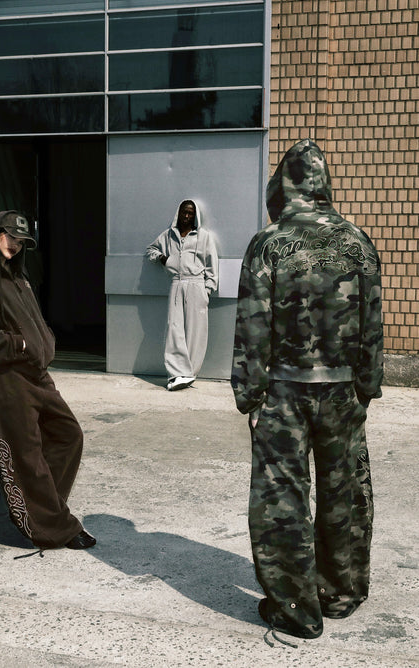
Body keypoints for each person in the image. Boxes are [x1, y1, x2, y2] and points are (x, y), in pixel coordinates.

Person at [231, 139, 383, 640]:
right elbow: (373, 322)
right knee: (345, 491)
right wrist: (367, 386)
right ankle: (340, 592)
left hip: (284, 392)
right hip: (343, 392)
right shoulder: (358, 241)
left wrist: (250, 394)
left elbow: (252, 326)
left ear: (283, 185)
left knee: (282, 497)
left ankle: (296, 608)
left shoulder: (268, 243)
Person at [0, 210, 96, 552]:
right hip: (10, 377)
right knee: (27, 456)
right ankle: (53, 527)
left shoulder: (19, 278)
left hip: (38, 375)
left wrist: (45, 341)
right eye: (10, 237)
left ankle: (41, 511)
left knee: (68, 435)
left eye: (21, 241)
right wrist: (18, 345)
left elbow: (34, 323)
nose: (16, 245)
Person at [147, 199, 218, 391]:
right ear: (178, 213)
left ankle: (189, 373)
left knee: (196, 331)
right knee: (174, 329)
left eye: (190, 213)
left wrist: (207, 290)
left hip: (197, 284)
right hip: (177, 284)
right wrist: (164, 259)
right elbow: (151, 249)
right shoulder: (168, 235)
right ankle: (177, 372)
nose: (186, 216)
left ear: (195, 216)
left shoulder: (204, 236)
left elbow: (212, 265)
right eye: (184, 212)